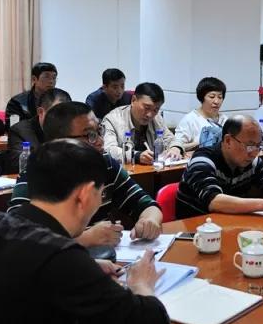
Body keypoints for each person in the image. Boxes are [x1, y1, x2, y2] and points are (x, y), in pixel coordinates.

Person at [0, 140, 169, 324]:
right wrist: (141, 284)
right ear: (84, 195)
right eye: (100, 193)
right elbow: (151, 319)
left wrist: (88, 266)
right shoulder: (63, 258)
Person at [9, 102, 163, 247]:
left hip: (105, 257)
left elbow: (144, 202)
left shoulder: (106, 163)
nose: (100, 141)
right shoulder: (36, 174)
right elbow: (16, 236)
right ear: (60, 142)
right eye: (90, 135)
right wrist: (86, 239)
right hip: (57, 259)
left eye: (99, 131)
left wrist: (149, 220)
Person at [176, 115, 263, 218]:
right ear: (228, 140)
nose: (254, 153)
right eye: (249, 146)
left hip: (230, 223)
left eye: (258, 146)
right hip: (197, 230)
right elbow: (214, 201)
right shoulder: (203, 160)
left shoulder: (251, 161)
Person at [102, 82, 184, 165]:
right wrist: (136, 156)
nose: (150, 115)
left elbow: (170, 139)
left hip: (153, 169)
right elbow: (108, 150)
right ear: (133, 100)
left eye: (155, 110)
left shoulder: (156, 118)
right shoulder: (112, 120)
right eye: (146, 108)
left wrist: (175, 148)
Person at [6, 88, 72, 173]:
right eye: (56, 114)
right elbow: (17, 164)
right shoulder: (20, 131)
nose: (61, 120)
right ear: (40, 112)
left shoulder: (72, 129)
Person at [175, 77, 228, 151]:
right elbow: (177, 145)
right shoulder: (190, 120)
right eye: (212, 97)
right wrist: (201, 143)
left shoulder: (225, 120)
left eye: (220, 97)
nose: (216, 101)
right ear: (202, 98)